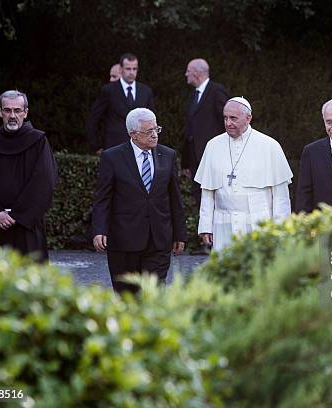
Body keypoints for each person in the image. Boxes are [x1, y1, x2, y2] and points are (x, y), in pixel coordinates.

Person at [91, 108, 186, 293]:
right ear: (133, 134)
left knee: (154, 294)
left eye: (156, 129)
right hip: (124, 240)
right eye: (148, 131)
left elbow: (175, 198)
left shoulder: (168, 155)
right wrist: (99, 230)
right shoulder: (112, 157)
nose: (154, 135)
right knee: (127, 296)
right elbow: (103, 198)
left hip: (159, 240)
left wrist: (179, 234)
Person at [195, 97, 293, 252]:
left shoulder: (270, 146)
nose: (228, 123)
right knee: (225, 271)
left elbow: (280, 196)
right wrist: (206, 226)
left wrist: (280, 230)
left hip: (258, 225)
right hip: (223, 225)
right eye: (225, 118)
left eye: (233, 118)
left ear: (248, 118)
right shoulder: (213, 145)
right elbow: (207, 191)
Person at [0, 90, 58, 261]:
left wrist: (18, 215)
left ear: (25, 112)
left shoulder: (38, 140)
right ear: (0, 112)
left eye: (17, 110)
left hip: (27, 225)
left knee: (30, 280)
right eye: (7, 110)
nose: (12, 115)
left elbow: (44, 181)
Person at [181, 58, 229, 207]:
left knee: (214, 196)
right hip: (195, 159)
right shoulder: (194, 95)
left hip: (212, 156)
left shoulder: (216, 91)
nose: (185, 74)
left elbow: (226, 122)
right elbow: (190, 130)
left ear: (197, 73)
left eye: (188, 71)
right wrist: (186, 162)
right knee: (199, 197)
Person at [87, 53, 156, 155]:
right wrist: (95, 146)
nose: (131, 72)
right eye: (128, 69)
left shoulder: (146, 91)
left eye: (134, 69)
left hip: (140, 148)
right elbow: (94, 119)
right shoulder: (109, 90)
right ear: (121, 69)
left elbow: (152, 121)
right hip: (114, 147)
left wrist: (152, 145)